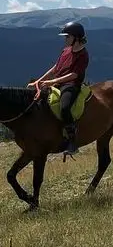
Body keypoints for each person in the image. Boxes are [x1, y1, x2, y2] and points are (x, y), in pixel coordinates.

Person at [28, 21, 89, 154]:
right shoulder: (66, 51)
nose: (65, 39)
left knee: (65, 107)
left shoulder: (83, 54)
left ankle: (73, 142)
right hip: (57, 83)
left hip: (71, 85)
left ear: (76, 38)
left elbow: (74, 75)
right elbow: (56, 67)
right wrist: (39, 81)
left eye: (67, 37)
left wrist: (53, 81)